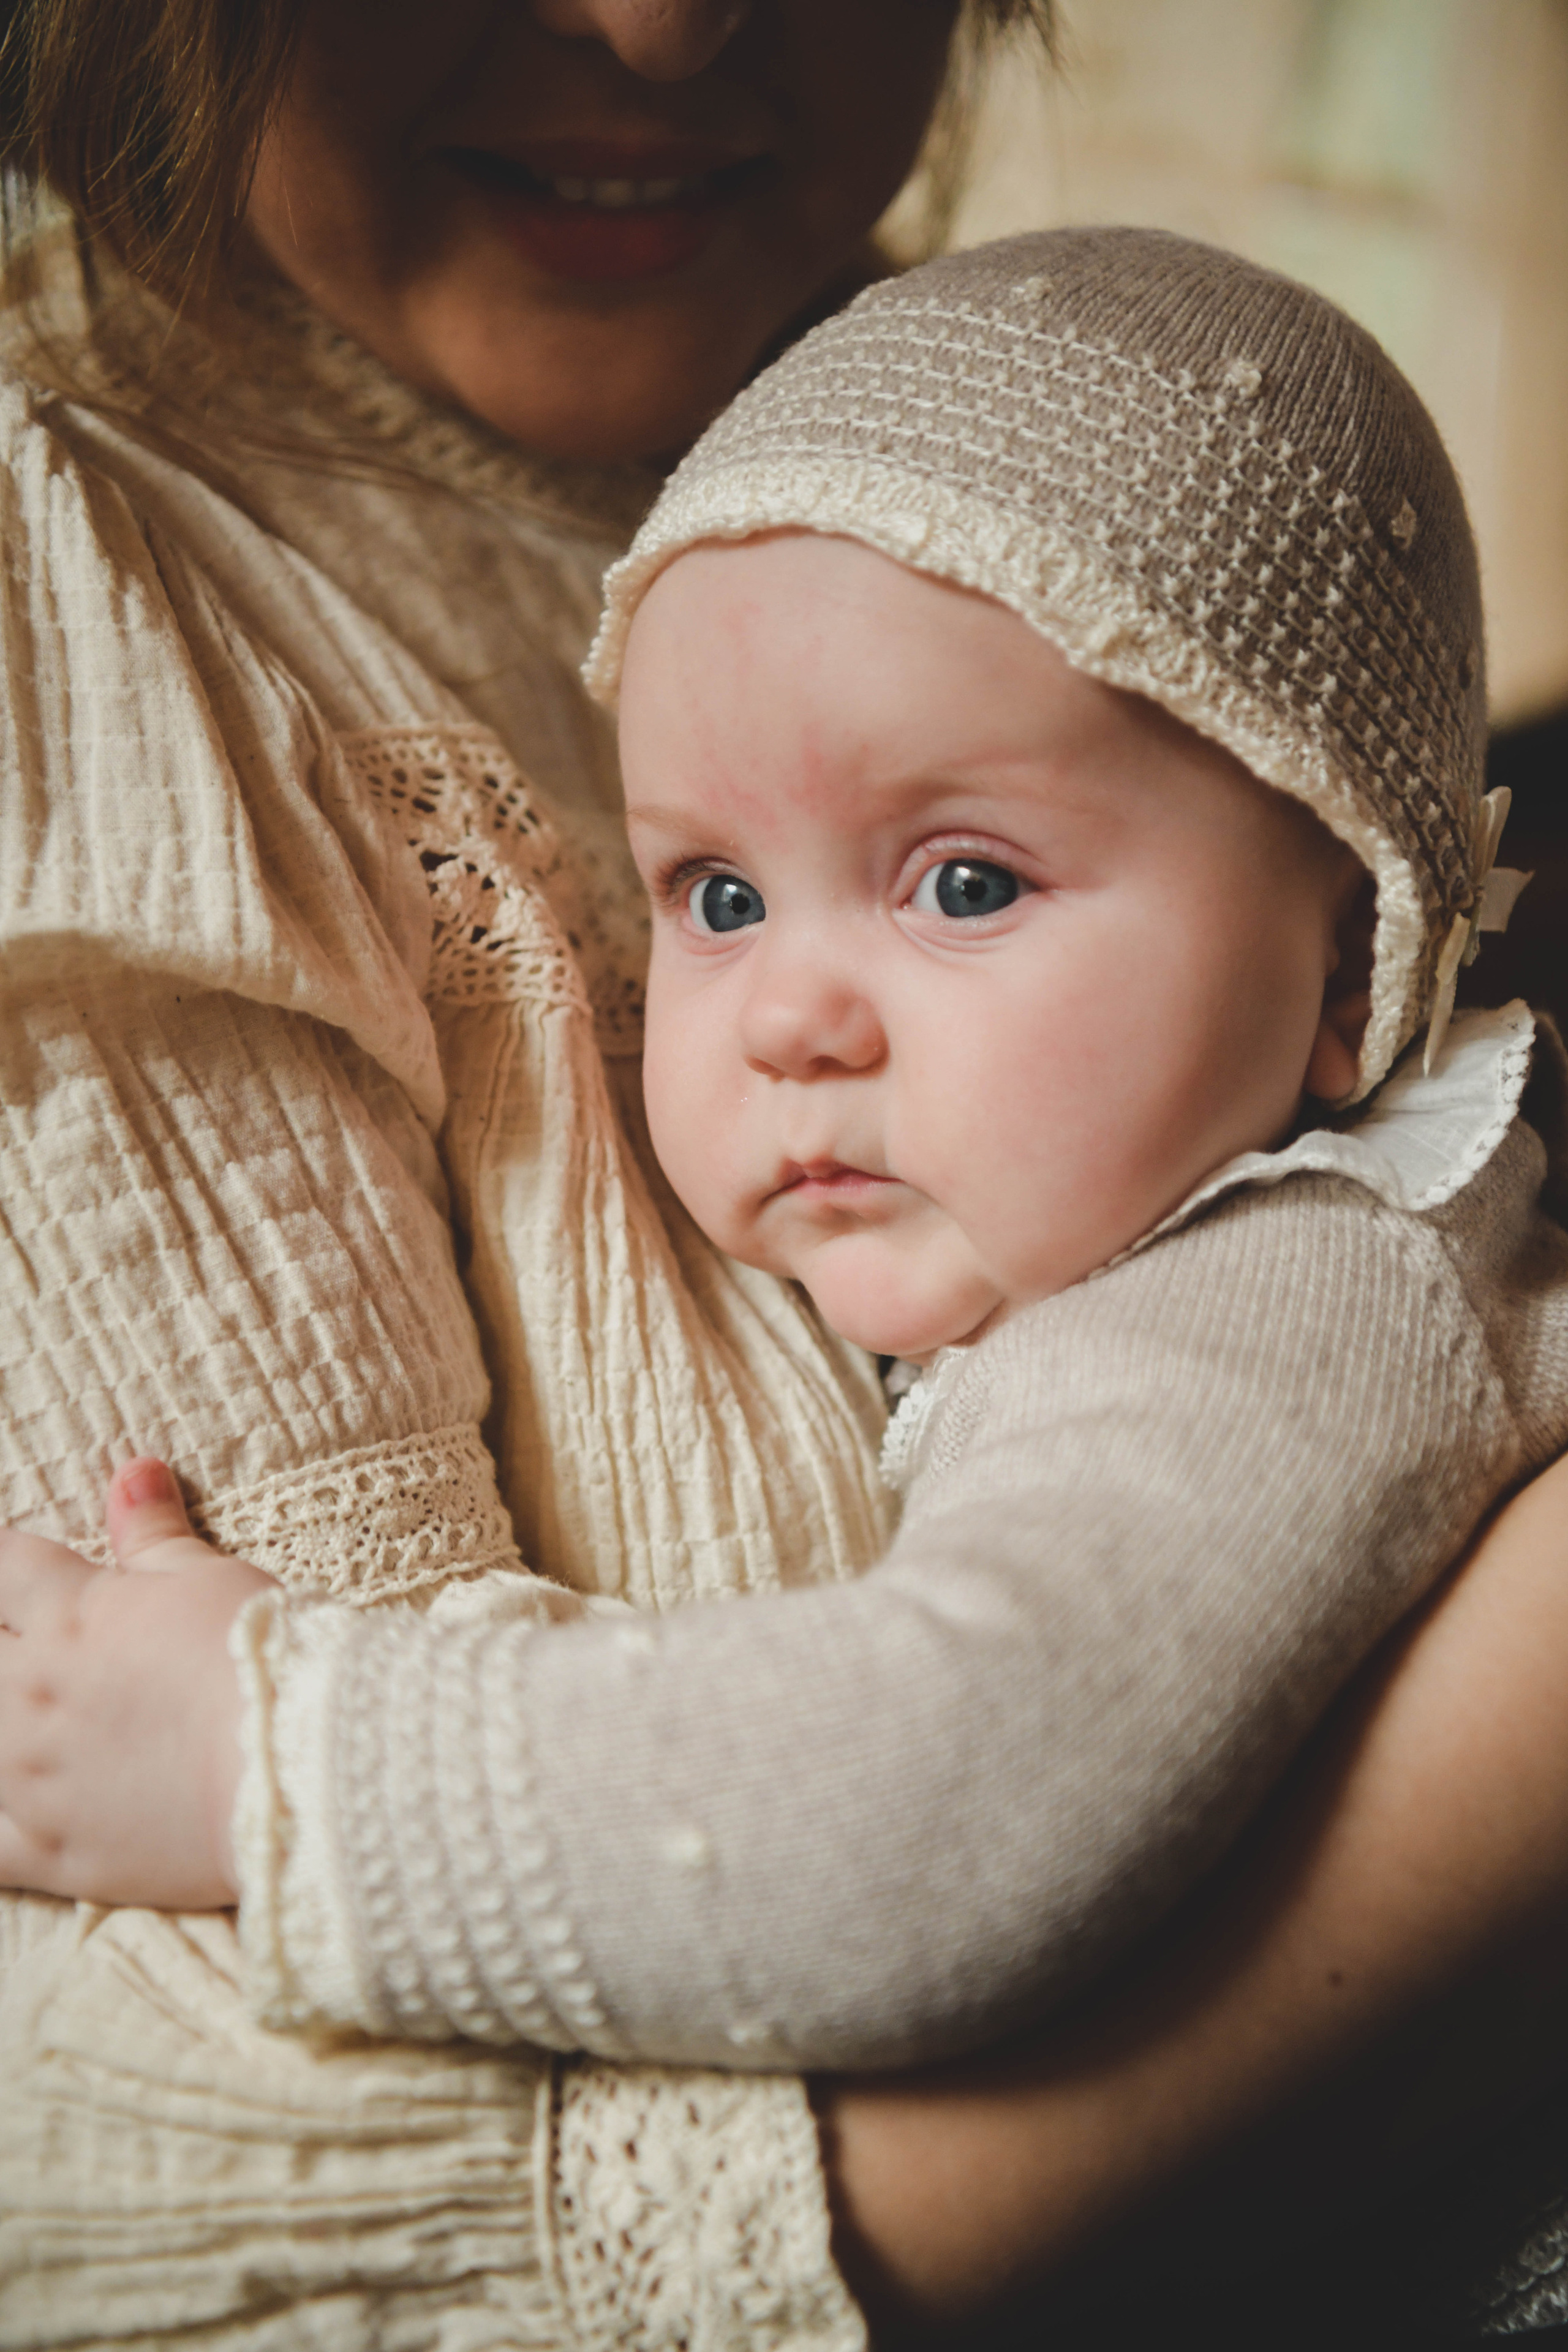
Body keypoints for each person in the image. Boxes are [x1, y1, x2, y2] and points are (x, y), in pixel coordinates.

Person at [0, 5, 1566, 2345]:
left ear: (1358, 964)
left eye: (962, 885)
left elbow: (933, 1805)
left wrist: (272, 1747)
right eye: (712, 899)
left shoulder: (1286, 1299)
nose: (783, 1017)